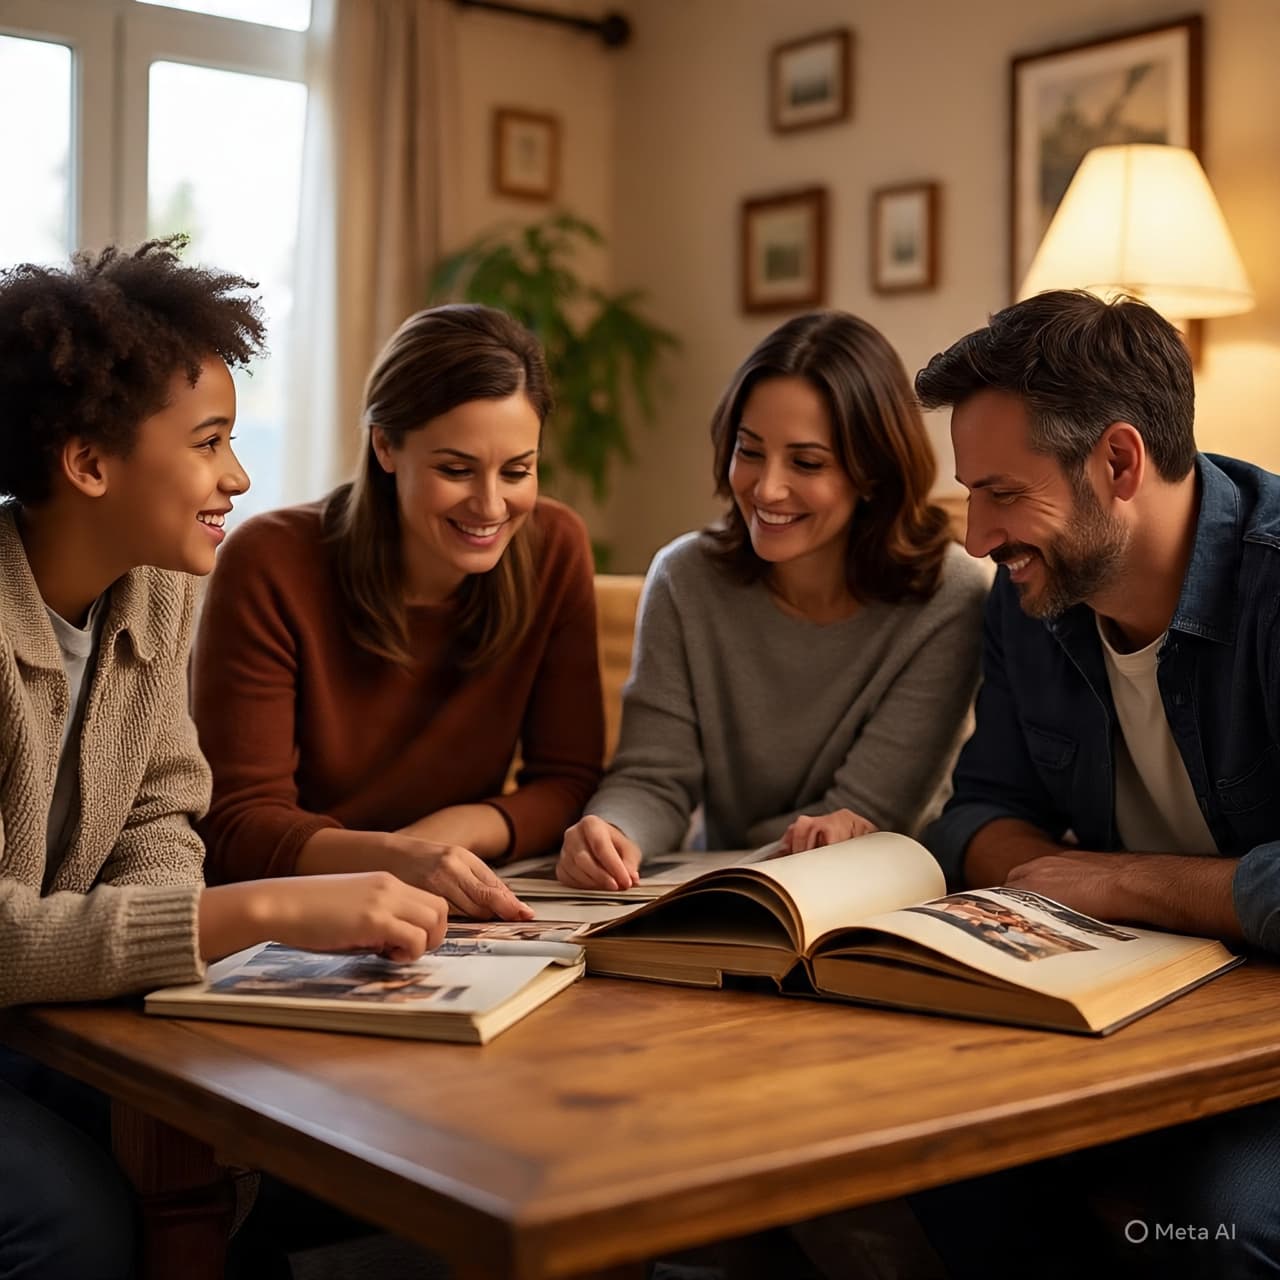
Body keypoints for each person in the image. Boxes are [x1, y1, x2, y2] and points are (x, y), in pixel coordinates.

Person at [0, 240, 451, 1280]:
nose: (237, 477)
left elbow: (162, 811)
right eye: (210, 443)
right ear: (90, 462)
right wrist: (258, 909)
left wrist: (161, 934)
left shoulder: (158, 586)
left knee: (246, 1138)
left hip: (38, 1017)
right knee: (74, 1225)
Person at [913, 288, 1280, 1278]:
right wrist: (1035, 866)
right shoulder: (1029, 596)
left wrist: (1110, 882)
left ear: (1117, 461)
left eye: (999, 492)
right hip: (1128, 1025)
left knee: (1218, 1229)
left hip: (1262, 1052)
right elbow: (978, 811)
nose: (977, 538)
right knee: (933, 1164)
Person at [193, 304, 603, 912]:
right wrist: (394, 858)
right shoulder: (271, 561)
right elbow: (236, 822)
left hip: (456, 891)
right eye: (455, 469)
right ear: (385, 445)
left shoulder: (555, 547)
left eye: (517, 470)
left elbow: (568, 781)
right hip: (301, 906)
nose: (491, 506)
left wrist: (449, 837)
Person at [558, 310, 988, 891]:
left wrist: (743, 859)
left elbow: (868, 813)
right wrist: (611, 831)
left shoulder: (950, 597)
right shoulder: (684, 578)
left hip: (876, 899)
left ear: (873, 474)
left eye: (806, 462)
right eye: (750, 450)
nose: (766, 488)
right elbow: (654, 777)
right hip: (729, 892)